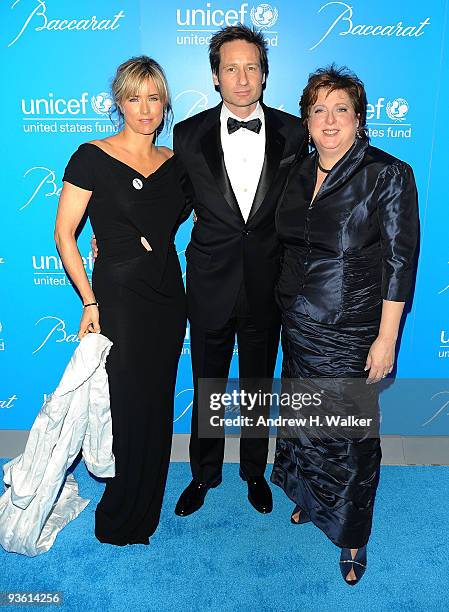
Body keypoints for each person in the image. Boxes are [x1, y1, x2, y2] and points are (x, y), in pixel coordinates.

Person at [271, 65, 419, 585]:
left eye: (341, 109)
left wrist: (385, 339)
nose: (329, 120)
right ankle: (312, 500)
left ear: (359, 119)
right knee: (305, 424)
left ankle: (353, 533)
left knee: (350, 436)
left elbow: (401, 262)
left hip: (351, 326)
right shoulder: (296, 168)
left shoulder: (387, 174)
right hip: (299, 322)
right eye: (318, 110)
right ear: (306, 120)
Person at [173, 25, 307, 518]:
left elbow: (306, 206)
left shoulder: (295, 132)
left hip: (267, 283)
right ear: (215, 76)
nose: (242, 78)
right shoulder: (187, 135)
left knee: (256, 385)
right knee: (208, 383)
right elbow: (176, 201)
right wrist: (121, 234)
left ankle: (254, 471)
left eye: (252, 67)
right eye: (231, 68)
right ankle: (203, 475)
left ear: (265, 75)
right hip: (210, 281)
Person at [54, 56, 188, 546]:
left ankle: (146, 509)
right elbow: (65, 234)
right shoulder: (91, 156)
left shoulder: (176, 163)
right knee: (128, 403)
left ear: (165, 102)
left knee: (157, 401)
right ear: (119, 103)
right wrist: (90, 302)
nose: (145, 108)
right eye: (135, 98)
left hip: (169, 294)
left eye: (154, 97)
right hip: (120, 295)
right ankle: (119, 514)